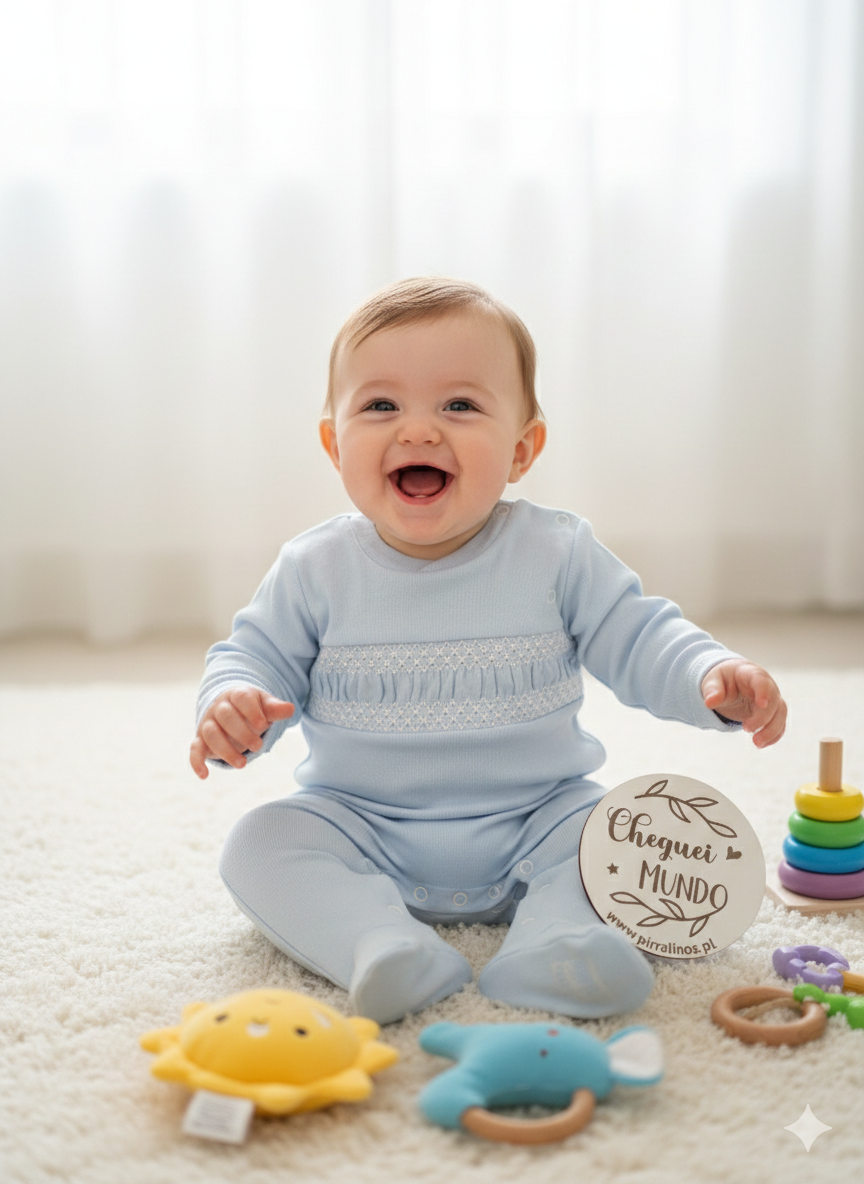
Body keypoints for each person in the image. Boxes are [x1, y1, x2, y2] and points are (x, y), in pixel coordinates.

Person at [190, 277, 786, 1025]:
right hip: (360, 822)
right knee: (260, 844)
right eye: (381, 406)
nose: (417, 431)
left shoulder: (556, 551)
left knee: (608, 832)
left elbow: (640, 633)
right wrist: (234, 708)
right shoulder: (314, 569)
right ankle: (378, 944)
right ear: (332, 441)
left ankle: (556, 941)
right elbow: (254, 659)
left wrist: (708, 674)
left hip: (538, 817)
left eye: (459, 406)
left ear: (523, 448)